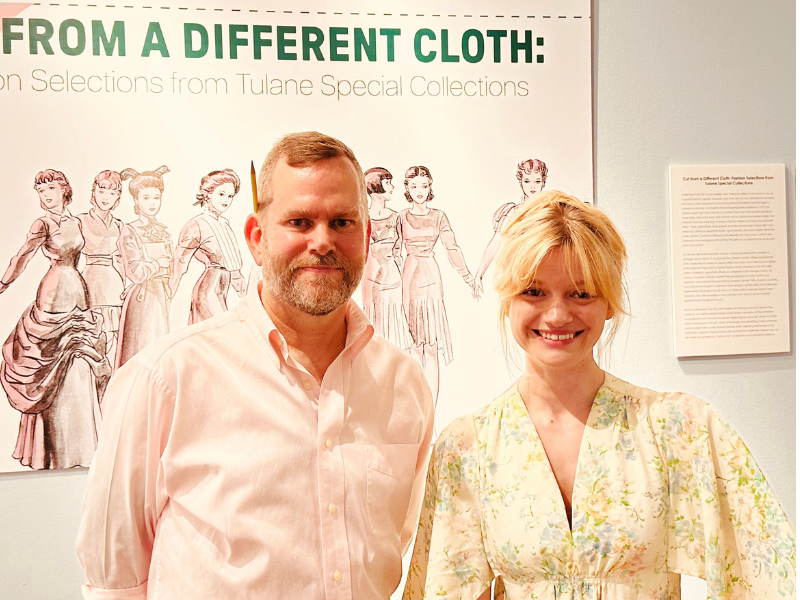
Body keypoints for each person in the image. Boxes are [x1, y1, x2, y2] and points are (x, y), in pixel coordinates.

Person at [76, 132, 434, 600]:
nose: (322, 241)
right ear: (257, 239)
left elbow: (391, 543)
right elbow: (113, 577)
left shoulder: (404, 384)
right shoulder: (165, 379)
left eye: (342, 221)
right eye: (300, 221)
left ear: (366, 237)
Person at [404, 191, 795, 600]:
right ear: (508, 301)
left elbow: (764, 573)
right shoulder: (467, 448)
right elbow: (443, 590)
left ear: (609, 303)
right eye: (534, 292)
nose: (557, 315)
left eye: (581, 293)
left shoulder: (678, 429)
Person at [0, 169, 110, 470]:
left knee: (80, 361)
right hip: (53, 296)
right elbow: (22, 256)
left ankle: (81, 448)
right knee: (48, 359)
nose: (46, 195)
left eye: (51, 189)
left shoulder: (76, 222)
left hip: (78, 292)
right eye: (40, 190)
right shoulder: (42, 223)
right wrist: (3, 284)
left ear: (65, 191)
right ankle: (48, 450)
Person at [398, 165, 473, 403]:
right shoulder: (401, 217)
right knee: (411, 349)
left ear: (430, 186)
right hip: (408, 280)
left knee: (431, 347)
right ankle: (412, 409)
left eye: (423, 185)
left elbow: (452, 248)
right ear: (407, 189)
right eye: (413, 186)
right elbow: (393, 252)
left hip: (431, 279)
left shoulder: (439, 216)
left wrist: (467, 275)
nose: (419, 191)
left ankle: (430, 408)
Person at [169, 168, 247, 324]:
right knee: (219, 335)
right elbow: (179, 265)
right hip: (208, 292)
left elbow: (235, 269)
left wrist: (245, 293)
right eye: (221, 194)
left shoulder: (225, 224)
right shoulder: (195, 224)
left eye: (230, 196)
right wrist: (167, 297)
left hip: (223, 292)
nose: (226, 200)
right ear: (208, 193)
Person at [114, 166, 172, 370]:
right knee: (141, 352)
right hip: (142, 300)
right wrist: (158, 265)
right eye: (146, 198)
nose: (152, 203)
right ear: (136, 201)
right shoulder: (130, 231)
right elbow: (135, 272)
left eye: (156, 198)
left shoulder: (163, 231)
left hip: (160, 298)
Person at [472, 158, 548, 299]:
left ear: (543, 182)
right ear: (521, 182)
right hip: (519, 271)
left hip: (546, 271)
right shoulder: (512, 212)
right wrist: (479, 275)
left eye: (537, 181)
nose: (532, 186)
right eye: (527, 181)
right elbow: (496, 242)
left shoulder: (550, 211)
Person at [77, 170, 125, 368]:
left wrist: (125, 287)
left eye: (112, 193)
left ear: (118, 197)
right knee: (90, 342)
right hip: (89, 283)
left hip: (114, 286)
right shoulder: (80, 220)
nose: (106, 197)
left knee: (112, 342)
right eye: (102, 190)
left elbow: (122, 260)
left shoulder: (120, 225)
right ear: (93, 192)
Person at [361, 166, 412, 350]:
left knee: (395, 330)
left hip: (393, 280)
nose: (392, 186)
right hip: (371, 279)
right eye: (387, 182)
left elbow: (398, 252)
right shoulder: (362, 218)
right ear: (375, 186)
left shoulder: (395, 217)